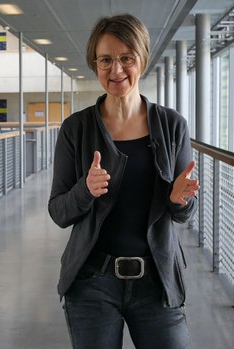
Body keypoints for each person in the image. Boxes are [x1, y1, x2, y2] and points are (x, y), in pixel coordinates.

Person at [48, 14, 200, 349]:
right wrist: (84, 191)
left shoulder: (172, 125)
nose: (116, 71)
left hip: (157, 281)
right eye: (106, 60)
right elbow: (59, 212)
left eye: (126, 58)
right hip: (91, 284)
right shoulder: (76, 129)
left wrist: (179, 200)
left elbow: (183, 213)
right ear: (95, 65)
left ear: (142, 60)